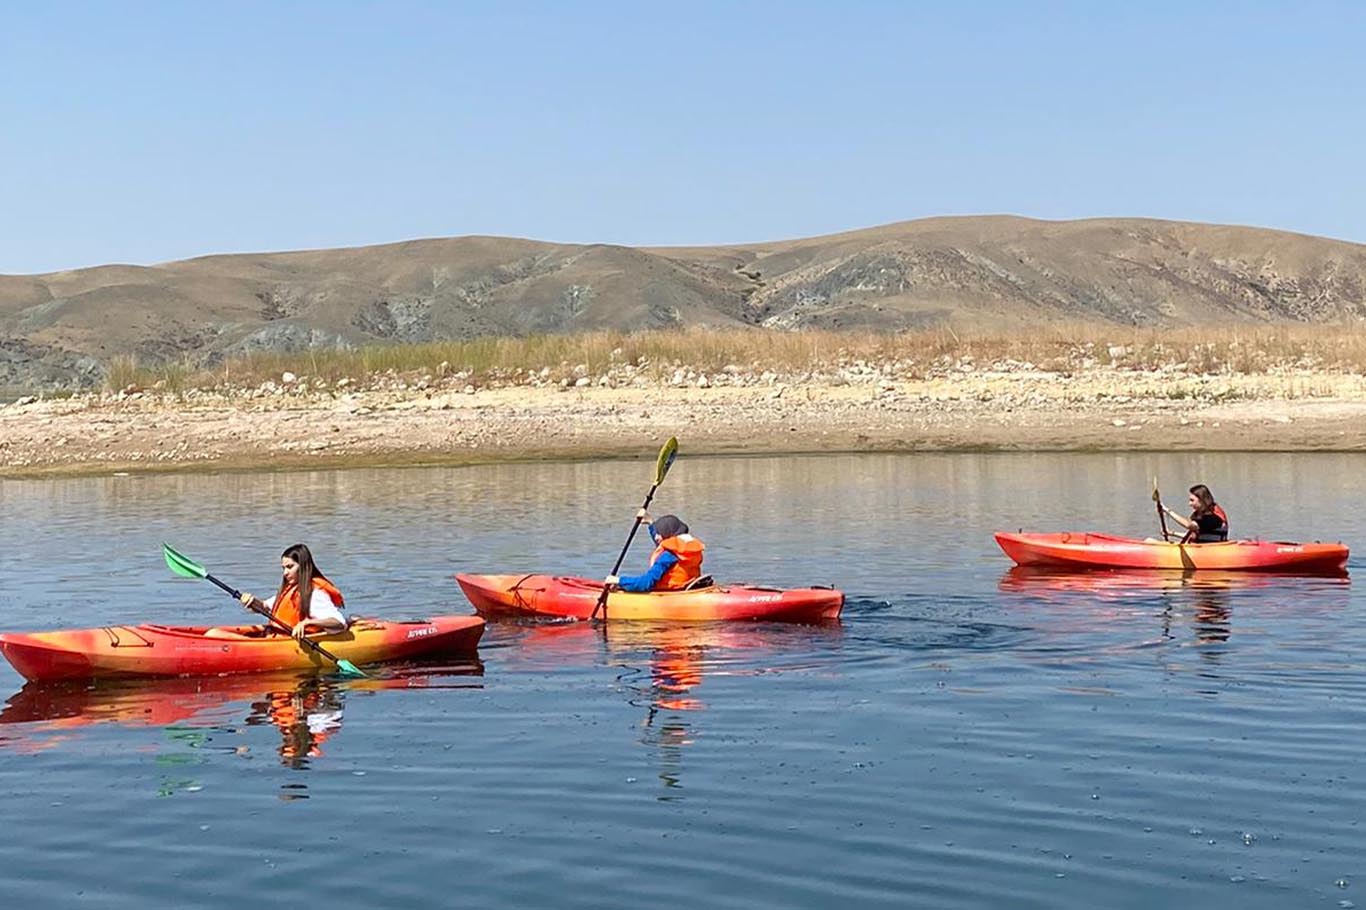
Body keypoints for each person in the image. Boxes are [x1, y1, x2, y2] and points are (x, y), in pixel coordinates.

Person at [237, 543, 348, 640]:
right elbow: (264, 607)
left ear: (303, 567)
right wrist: (251, 601)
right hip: (274, 636)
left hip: (293, 642)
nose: (285, 573)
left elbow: (338, 622)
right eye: (283, 568)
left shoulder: (315, 593)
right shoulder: (290, 589)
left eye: (290, 567)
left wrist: (307, 623)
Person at [604, 511, 705, 593]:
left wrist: (618, 580)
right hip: (684, 589)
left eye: (660, 533)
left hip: (668, 594)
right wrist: (650, 522)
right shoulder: (688, 550)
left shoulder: (668, 556)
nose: (656, 536)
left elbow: (646, 583)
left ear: (668, 533)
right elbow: (663, 545)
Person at [1163, 484, 1229, 543]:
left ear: (1202, 500)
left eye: (1192, 500)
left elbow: (1189, 525)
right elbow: (1193, 536)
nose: (1190, 504)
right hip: (1200, 549)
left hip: (1211, 551)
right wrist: (1172, 533)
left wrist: (1167, 511)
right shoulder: (1198, 515)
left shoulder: (1213, 518)